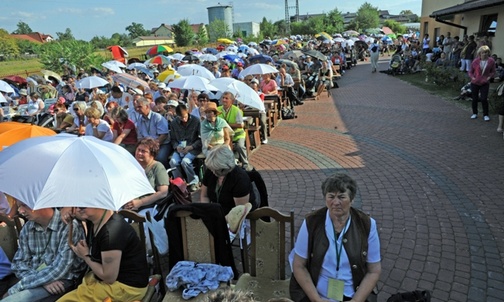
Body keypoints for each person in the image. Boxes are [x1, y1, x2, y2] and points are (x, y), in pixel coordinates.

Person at [289, 173, 381, 302]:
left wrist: (356, 301)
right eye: (331, 196)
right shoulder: (311, 222)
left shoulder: (367, 225)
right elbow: (299, 265)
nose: (335, 202)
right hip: (316, 294)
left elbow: (374, 271)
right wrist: (317, 300)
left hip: (352, 295)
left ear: (352, 199)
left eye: (342, 197)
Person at [57, 207, 149, 301]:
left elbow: (109, 277)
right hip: (108, 281)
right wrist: (67, 210)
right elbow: (76, 213)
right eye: (75, 206)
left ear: (98, 203)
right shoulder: (96, 218)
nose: (77, 210)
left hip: (125, 288)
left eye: (82, 206)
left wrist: (85, 256)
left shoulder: (111, 233)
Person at [0, 201, 86, 302]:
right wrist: (41, 281)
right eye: (19, 206)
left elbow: (60, 269)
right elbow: (18, 264)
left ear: (43, 202)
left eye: (25, 205)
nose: (20, 211)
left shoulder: (69, 226)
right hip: (38, 278)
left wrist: (18, 287)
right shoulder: (28, 228)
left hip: (62, 281)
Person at [124, 138, 169, 255]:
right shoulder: (132, 167)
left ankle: (147, 254)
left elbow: (163, 192)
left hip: (150, 205)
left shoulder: (157, 167)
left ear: (152, 154)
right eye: (138, 150)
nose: (139, 153)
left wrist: (140, 202)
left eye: (143, 151)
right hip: (130, 204)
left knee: (142, 225)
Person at [200, 144, 257, 216]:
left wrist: (220, 220)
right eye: (212, 169)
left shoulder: (240, 179)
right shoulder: (211, 171)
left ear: (228, 167)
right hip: (218, 214)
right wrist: (207, 212)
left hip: (238, 217)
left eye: (218, 170)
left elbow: (239, 213)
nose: (214, 172)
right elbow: (204, 196)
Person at [169, 104, 202, 192]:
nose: (183, 119)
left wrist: (191, 147)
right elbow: (172, 139)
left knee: (185, 162)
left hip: (193, 147)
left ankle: (193, 181)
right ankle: (179, 182)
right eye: (181, 118)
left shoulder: (196, 121)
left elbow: (200, 138)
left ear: (188, 112)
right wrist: (176, 147)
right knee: (173, 162)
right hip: (180, 147)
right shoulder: (174, 123)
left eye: (184, 116)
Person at [135, 97, 171, 168]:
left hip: (162, 144)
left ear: (147, 106)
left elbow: (164, 135)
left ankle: (167, 173)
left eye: (140, 107)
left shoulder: (157, 117)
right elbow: (140, 137)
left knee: (160, 158)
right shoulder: (139, 120)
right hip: (147, 145)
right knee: (138, 156)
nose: (137, 109)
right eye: (136, 107)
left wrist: (152, 146)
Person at [217, 92, 249, 170]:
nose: (224, 100)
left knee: (240, 146)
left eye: (226, 98)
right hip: (223, 135)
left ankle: (245, 163)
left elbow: (241, 125)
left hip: (237, 135)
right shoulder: (218, 109)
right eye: (223, 98)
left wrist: (227, 124)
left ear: (231, 100)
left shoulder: (236, 110)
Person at [468, 45, 496, 121]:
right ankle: (474, 113)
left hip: (485, 82)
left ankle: (486, 114)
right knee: (474, 98)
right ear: (480, 53)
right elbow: (470, 71)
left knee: (484, 99)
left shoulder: (491, 61)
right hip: (475, 82)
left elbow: (493, 71)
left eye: (486, 52)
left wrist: (489, 77)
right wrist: (473, 77)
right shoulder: (475, 61)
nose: (485, 54)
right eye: (483, 52)